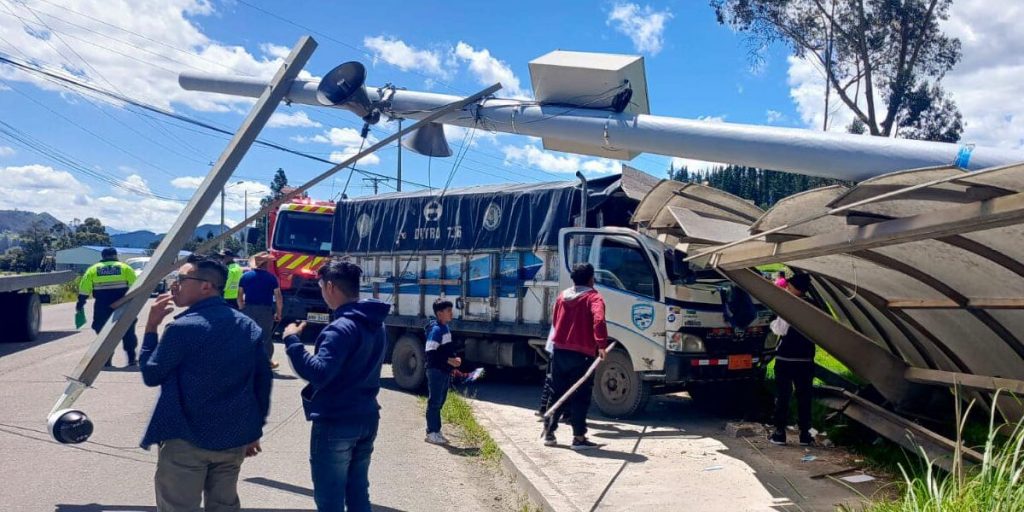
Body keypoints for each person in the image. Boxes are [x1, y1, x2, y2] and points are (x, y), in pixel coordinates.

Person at [139, 256, 272, 511]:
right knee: (224, 505)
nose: (174, 285)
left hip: (186, 439)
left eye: (181, 279)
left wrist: (151, 327)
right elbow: (262, 386)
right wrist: (253, 431)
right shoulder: (249, 327)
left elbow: (151, 375)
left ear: (206, 286)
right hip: (232, 439)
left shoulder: (183, 328)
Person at [282, 260, 391, 512]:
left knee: (330, 498)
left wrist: (292, 341)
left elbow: (319, 373)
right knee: (357, 492)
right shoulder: (376, 323)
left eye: (320, 285)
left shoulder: (340, 329)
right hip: (367, 415)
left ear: (330, 286)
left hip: (337, 421)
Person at [543, 263, 608, 451]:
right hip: (583, 354)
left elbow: (555, 321)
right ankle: (579, 438)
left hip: (560, 350)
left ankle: (549, 433)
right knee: (580, 395)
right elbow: (599, 320)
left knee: (557, 392)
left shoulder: (562, 296)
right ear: (591, 278)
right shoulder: (593, 298)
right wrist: (601, 344)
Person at [769, 272, 817, 447]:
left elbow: (780, 330)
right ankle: (805, 434)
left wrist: (772, 323)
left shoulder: (789, 305)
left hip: (786, 358)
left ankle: (780, 433)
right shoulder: (814, 306)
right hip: (806, 359)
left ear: (795, 288)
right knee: (804, 397)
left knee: (783, 396)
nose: (786, 288)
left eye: (789, 286)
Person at [76, 247, 139, 368]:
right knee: (128, 330)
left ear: (103, 256)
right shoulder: (125, 268)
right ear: (116, 255)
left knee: (102, 330)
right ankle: (131, 359)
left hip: (102, 306)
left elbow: (84, 288)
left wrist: (81, 303)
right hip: (123, 304)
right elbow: (135, 287)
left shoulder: (93, 269)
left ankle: (107, 359)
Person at [424, 299, 461, 445]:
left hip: (444, 371)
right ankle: (431, 432)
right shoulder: (436, 330)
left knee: (440, 401)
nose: (451, 313)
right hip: (436, 371)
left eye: (451, 310)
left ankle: (437, 431)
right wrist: (449, 360)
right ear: (439, 314)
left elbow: (446, 349)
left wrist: (454, 357)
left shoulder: (445, 328)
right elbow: (431, 352)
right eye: (448, 311)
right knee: (434, 402)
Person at [239, 252, 283, 369]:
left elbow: (239, 295)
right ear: (265, 264)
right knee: (265, 336)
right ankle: (267, 361)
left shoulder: (245, 276)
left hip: (248, 308)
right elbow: (278, 297)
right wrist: (279, 313)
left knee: (247, 334)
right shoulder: (272, 278)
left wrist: (242, 308)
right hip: (265, 310)